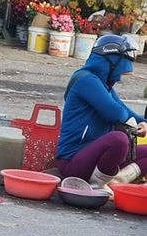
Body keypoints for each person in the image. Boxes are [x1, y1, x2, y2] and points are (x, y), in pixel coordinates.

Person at [56, 34, 147, 192]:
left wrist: (143, 122)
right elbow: (115, 113)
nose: (119, 78)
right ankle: (96, 185)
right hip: (73, 162)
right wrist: (133, 123)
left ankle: (117, 180)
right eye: (121, 70)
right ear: (110, 63)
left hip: (98, 158)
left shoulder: (105, 86)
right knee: (119, 139)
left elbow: (126, 112)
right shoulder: (86, 80)